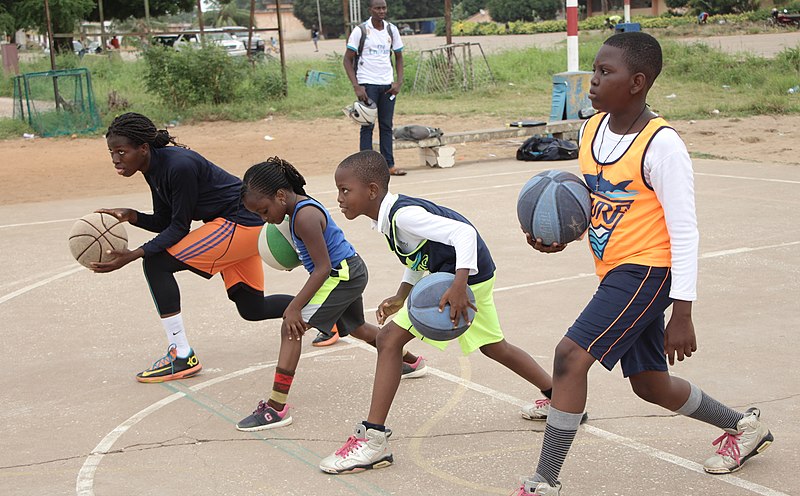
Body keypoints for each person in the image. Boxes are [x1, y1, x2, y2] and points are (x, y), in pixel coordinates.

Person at [483, 32, 773, 496]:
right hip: (616, 268)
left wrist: (682, 311)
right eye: (593, 71)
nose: (593, 81)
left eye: (605, 73)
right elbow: (599, 208)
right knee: (649, 385)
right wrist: (560, 238)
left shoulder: (662, 145)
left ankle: (543, 491)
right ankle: (743, 426)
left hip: (649, 269)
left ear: (637, 83)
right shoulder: (590, 130)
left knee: (570, 358)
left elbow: (685, 230)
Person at [319, 150, 560, 474]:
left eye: (345, 191)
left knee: (389, 340)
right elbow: (419, 257)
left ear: (372, 191)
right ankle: (558, 399)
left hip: (463, 279)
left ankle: (373, 439)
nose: (339, 199)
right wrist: (402, 294)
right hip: (470, 276)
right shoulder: (389, 218)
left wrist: (459, 286)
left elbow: (464, 234)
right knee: (493, 346)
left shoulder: (404, 216)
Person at [91, 113, 296, 383]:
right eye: (111, 152)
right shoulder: (153, 168)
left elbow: (178, 229)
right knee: (252, 308)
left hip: (239, 223)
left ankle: (181, 355)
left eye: (121, 151)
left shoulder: (178, 166)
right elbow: (165, 221)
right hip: (237, 227)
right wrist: (133, 216)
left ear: (143, 149)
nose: (116, 159)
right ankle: (330, 314)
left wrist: (133, 255)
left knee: (155, 263)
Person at [235, 157, 426, 431]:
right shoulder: (298, 210)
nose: (263, 218)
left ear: (280, 195)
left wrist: (294, 307)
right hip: (350, 269)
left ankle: (276, 408)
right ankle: (411, 362)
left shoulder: (304, 216)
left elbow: (323, 268)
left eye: (263, 211)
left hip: (342, 274)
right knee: (357, 327)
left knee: (291, 328)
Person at [343, 0, 407, 177]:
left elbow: (399, 57)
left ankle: (389, 165)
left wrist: (398, 82)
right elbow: (347, 59)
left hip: (387, 85)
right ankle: (366, 168)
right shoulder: (361, 31)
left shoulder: (391, 30)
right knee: (367, 126)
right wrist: (357, 86)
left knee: (386, 126)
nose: (381, 11)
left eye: (384, 8)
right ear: (370, 9)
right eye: (377, 8)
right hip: (367, 85)